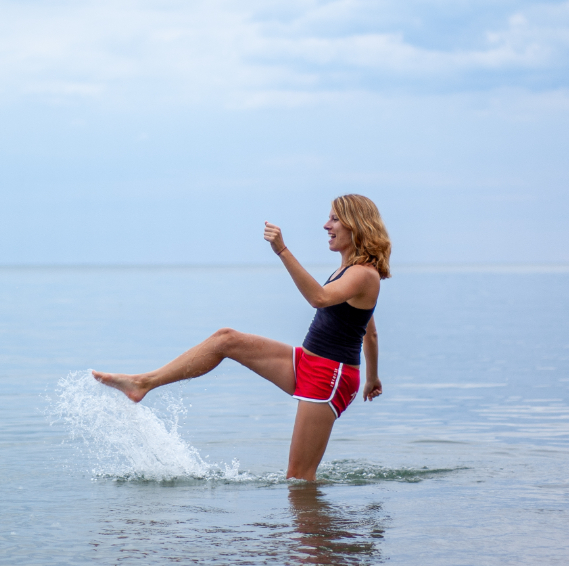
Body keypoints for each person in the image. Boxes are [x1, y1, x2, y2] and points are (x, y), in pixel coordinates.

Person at [92, 194, 391, 481]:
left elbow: (319, 298)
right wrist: (372, 378)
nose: (326, 226)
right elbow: (370, 330)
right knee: (226, 339)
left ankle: (316, 534)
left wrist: (283, 252)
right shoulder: (350, 269)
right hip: (308, 361)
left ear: (356, 224)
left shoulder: (364, 274)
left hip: (329, 375)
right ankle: (143, 383)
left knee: (299, 479)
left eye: (335, 219)